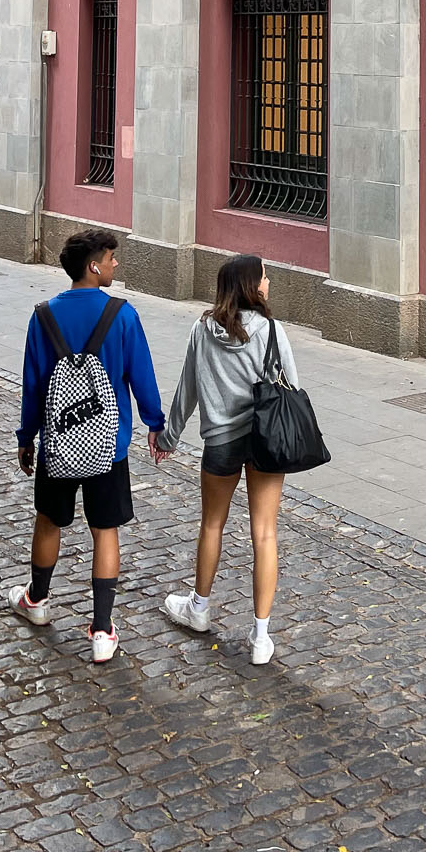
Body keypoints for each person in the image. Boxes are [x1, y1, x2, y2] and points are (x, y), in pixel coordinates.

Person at [10, 228, 167, 664]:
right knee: (105, 530)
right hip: (108, 447)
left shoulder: (43, 316)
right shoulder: (122, 314)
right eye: (112, 258)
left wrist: (28, 438)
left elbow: (33, 386)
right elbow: (142, 376)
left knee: (49, 521)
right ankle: (101, 630)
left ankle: (37, 601)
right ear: (93, 265)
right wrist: (155, 424)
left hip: (58, 444)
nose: (117, 264)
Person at [157, 253, 294, 665]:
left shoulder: (202, 329)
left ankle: (198, 608)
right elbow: (292, 385)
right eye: (265, 277)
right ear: (252, 287)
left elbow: (189, 386)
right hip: (264, 441)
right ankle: (261, 636)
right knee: (264, 533)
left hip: (219, 441)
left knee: (212, 524)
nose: (269, 283)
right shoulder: (271, 331)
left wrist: (169, 436)